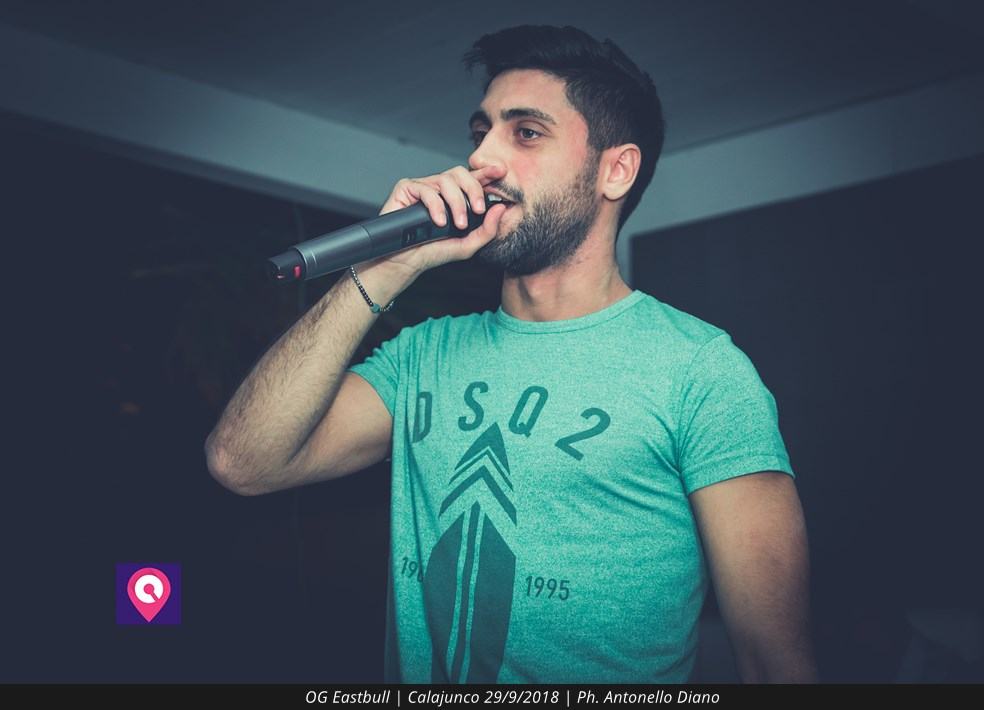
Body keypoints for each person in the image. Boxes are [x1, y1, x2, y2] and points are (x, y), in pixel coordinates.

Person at [205, 24, 816, 684]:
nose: (482, 158)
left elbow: (773, 662)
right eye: (481, 132)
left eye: (525, 132)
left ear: (615, 171)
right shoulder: (422, 355)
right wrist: (382, 270)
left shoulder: (700, 369)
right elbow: (242, 463)